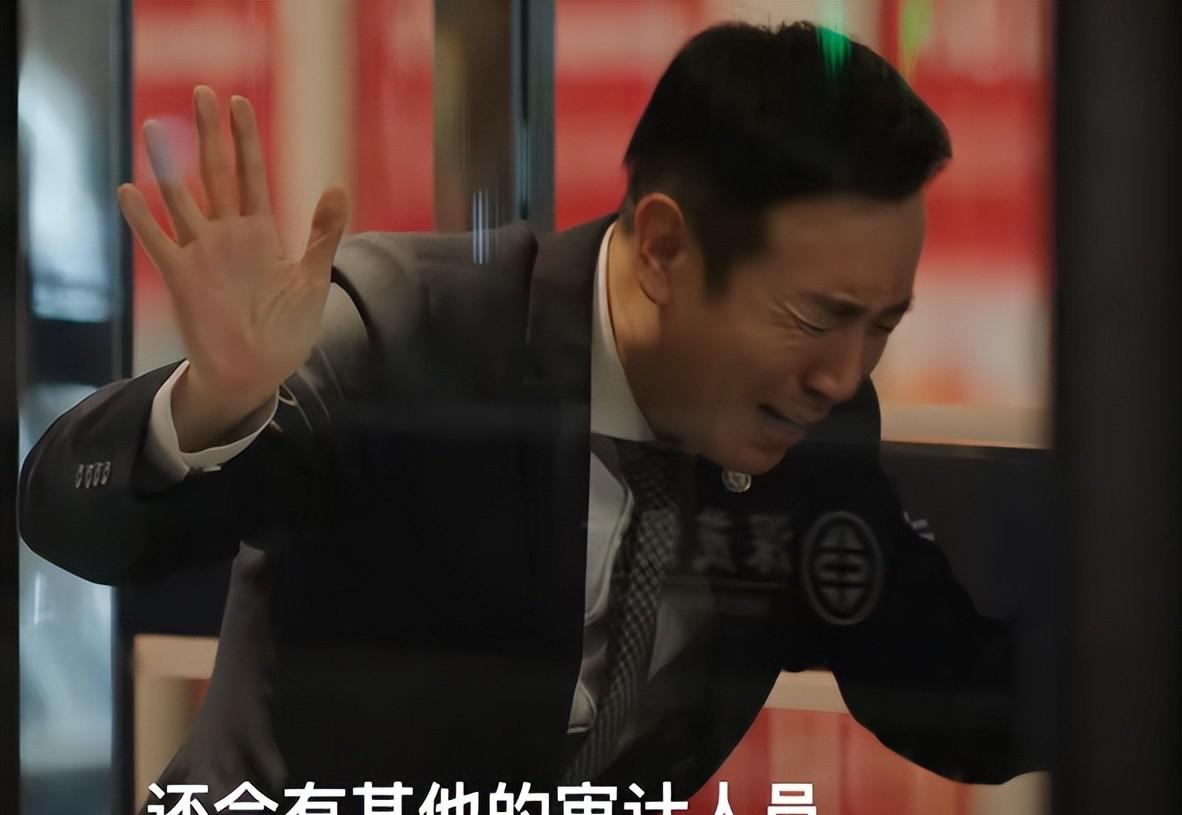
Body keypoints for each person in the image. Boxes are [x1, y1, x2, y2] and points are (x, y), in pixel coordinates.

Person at [19, 21, 1034, 813]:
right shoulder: (410, 333)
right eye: (813, 317)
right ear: (665, 248)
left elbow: (961, 698)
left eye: (881, 326)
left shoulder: (815, 441)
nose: (841, 373)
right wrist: (217, 401)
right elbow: (74, 518)